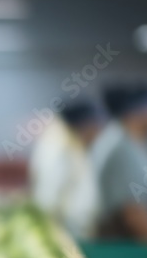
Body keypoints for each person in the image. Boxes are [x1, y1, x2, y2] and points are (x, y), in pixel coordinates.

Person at [89, 82, 147, 243]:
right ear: (139, 113)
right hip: (131, 252)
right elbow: (134, 212)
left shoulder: (131, 145)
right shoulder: (124, 152)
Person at [29, 98, 106, 240]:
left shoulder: (74, 144)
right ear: (86, 125)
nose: (98, 134)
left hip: (77, 233)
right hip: (66, 236)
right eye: (97, 127)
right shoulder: (57, 149)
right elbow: (48, 201)